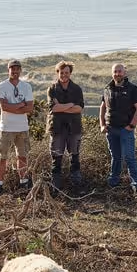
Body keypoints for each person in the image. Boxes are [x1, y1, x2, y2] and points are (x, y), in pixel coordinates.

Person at [99, 63, 137, 195]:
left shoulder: (132, 89)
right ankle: (113, 182)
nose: (117, 74)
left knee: (130, 157)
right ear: (112, 73)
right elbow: (102, 107)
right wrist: (102, 124)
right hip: (111, 129)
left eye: (120, 71)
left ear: (125, 73)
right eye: (115, 71)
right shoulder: (107, 88)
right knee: (116, 157)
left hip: (126, 130)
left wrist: (131, 126)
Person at [0, 59, 33, 197]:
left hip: (22, 128)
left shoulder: (26, 86)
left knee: (22, 157)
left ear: (20, 70)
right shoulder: (1, 86)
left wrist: (13, 107)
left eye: (17, 69)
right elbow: (3, 107)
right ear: (8, 70)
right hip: (6, 128)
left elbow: (29, 108)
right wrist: (20, 105)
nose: (15, 72)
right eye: (12, 69)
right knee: (2, 157)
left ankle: (24, 184)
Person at [47, 61, 85, 192]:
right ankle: (55, 187)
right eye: (61, 72)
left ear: (70, 73)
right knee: (56, 158)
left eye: (66, 73)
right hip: (57, 128)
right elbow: (54, 108)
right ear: (58, 73)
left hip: (74, 128)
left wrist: (62, 107)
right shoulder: (52, 89)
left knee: (75, 156)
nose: (64, 75)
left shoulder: (77, 89)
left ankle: (76, 185)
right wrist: (70, 104)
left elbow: (79, 109)